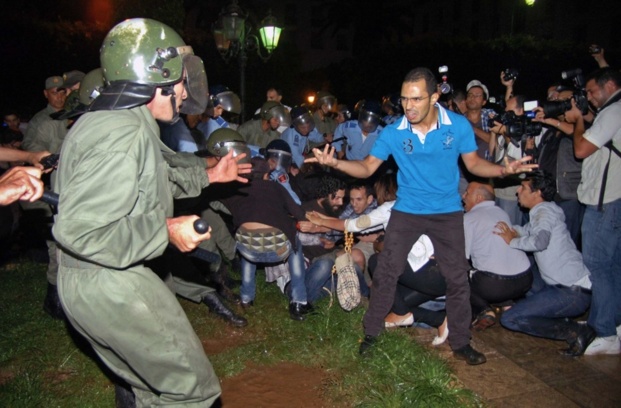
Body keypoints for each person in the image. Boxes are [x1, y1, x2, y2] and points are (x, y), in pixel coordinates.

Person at [52, 18, 250, 406]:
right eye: (178, 80)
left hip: (96, 278)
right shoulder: (121, 132)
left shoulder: (120, 120)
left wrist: (212, 174)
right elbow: (81, 231)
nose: (183, 89)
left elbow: (158, 175)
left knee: (149, 388)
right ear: (154, 76)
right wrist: (165, 230)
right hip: (110, 279)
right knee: (190, 390)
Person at [307, 67, 536, 365]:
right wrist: (335, 164)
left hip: (447, 212)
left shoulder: (457, 126)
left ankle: (461, 342)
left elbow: (475, 165)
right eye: (404, 99)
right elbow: (365, 168)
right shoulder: (394, 132)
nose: (408, 107)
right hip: (408, 210)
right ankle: (372, 333)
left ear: (434, 96)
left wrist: (504, 170)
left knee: (457, 279)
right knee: (387, 271)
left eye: (416, 99)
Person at [496, 171, 595, 356]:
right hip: (563, 287)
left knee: (510, 319)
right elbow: (526, 231)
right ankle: (554, 313)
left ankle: (575, 330)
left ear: (538, 192)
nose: (518, 191)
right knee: (524, 277)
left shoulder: (544, 212)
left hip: (571, 292)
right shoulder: (544, 210)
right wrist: (508, 231)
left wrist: (512, 241)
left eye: (523, 187)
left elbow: (540, 242)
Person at [565, 67, 621, 355]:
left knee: (598, 264)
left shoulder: (613, 112)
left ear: (609, 85)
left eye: (591, 91)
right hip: (615, 199)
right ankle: (613, 321)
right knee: (613, 266)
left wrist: (577, 123)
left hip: (606, 200)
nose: (589, 97)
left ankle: (604, 331)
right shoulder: (613, 112)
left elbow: (582, 149)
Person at [218, 156, 312, 321]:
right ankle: (299, 301)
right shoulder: (275, 187)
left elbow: (218, 201)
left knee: (248, 239)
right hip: (278, 250)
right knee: (295, 242)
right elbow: (299, 214)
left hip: (248, 252)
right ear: (266, 175)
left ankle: (246, 298)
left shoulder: (235, 191)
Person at [462, 181, 533, 330]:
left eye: (467, 193)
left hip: (494, 285)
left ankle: (484, 310)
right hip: (524, 279)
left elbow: (461, 257)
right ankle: (508, 304)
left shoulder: (469, 219)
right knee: (496, 264)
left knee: (456, 274)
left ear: (479, 198)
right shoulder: (501, 212)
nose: (463, 196)